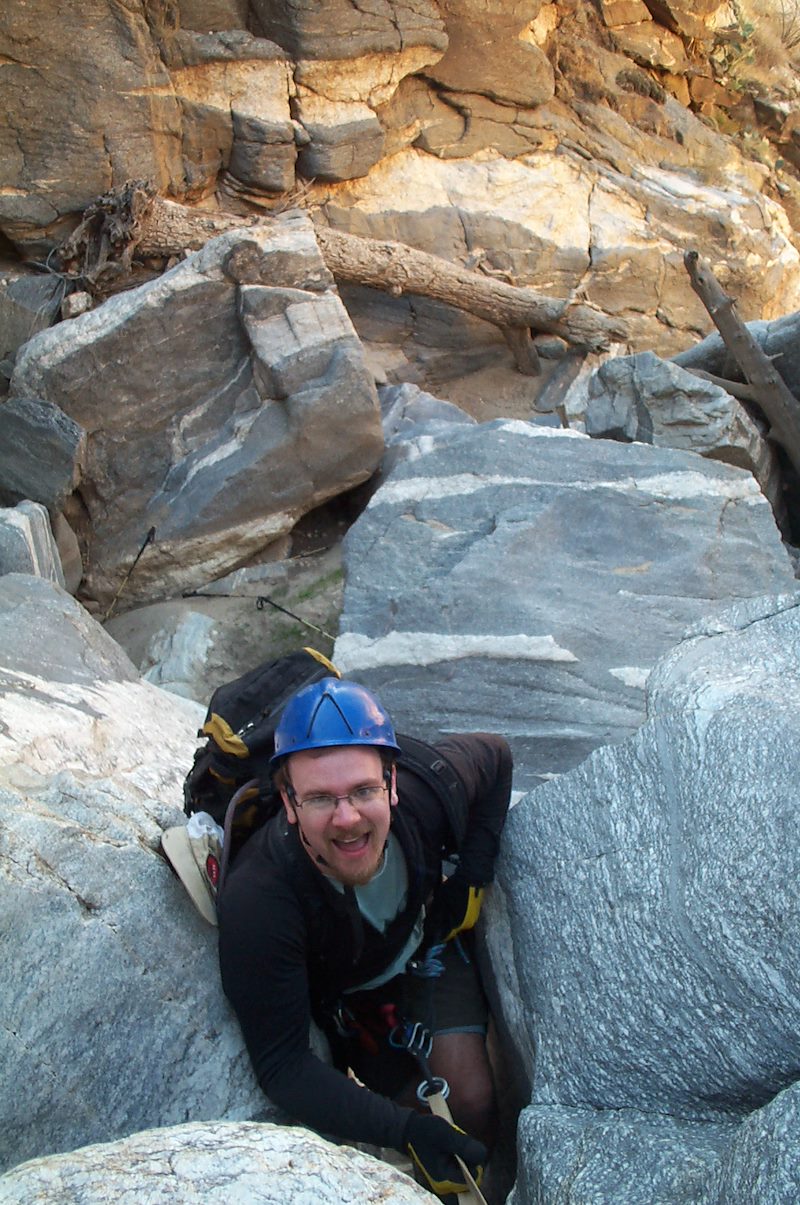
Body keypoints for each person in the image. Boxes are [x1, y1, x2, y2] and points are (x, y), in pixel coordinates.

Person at [217, 676, 512, 1198]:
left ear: (392, 783)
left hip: (427, 938)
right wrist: (404, 1133)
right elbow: (283, 1066)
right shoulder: (261, 899)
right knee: (426, 1113)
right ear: (287, 803)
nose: (347, 818)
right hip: (352, 990)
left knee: (473, 1101)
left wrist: (471, 877)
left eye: (363, 790)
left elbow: (496, 756)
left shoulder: (427, 791)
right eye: (319, 799)